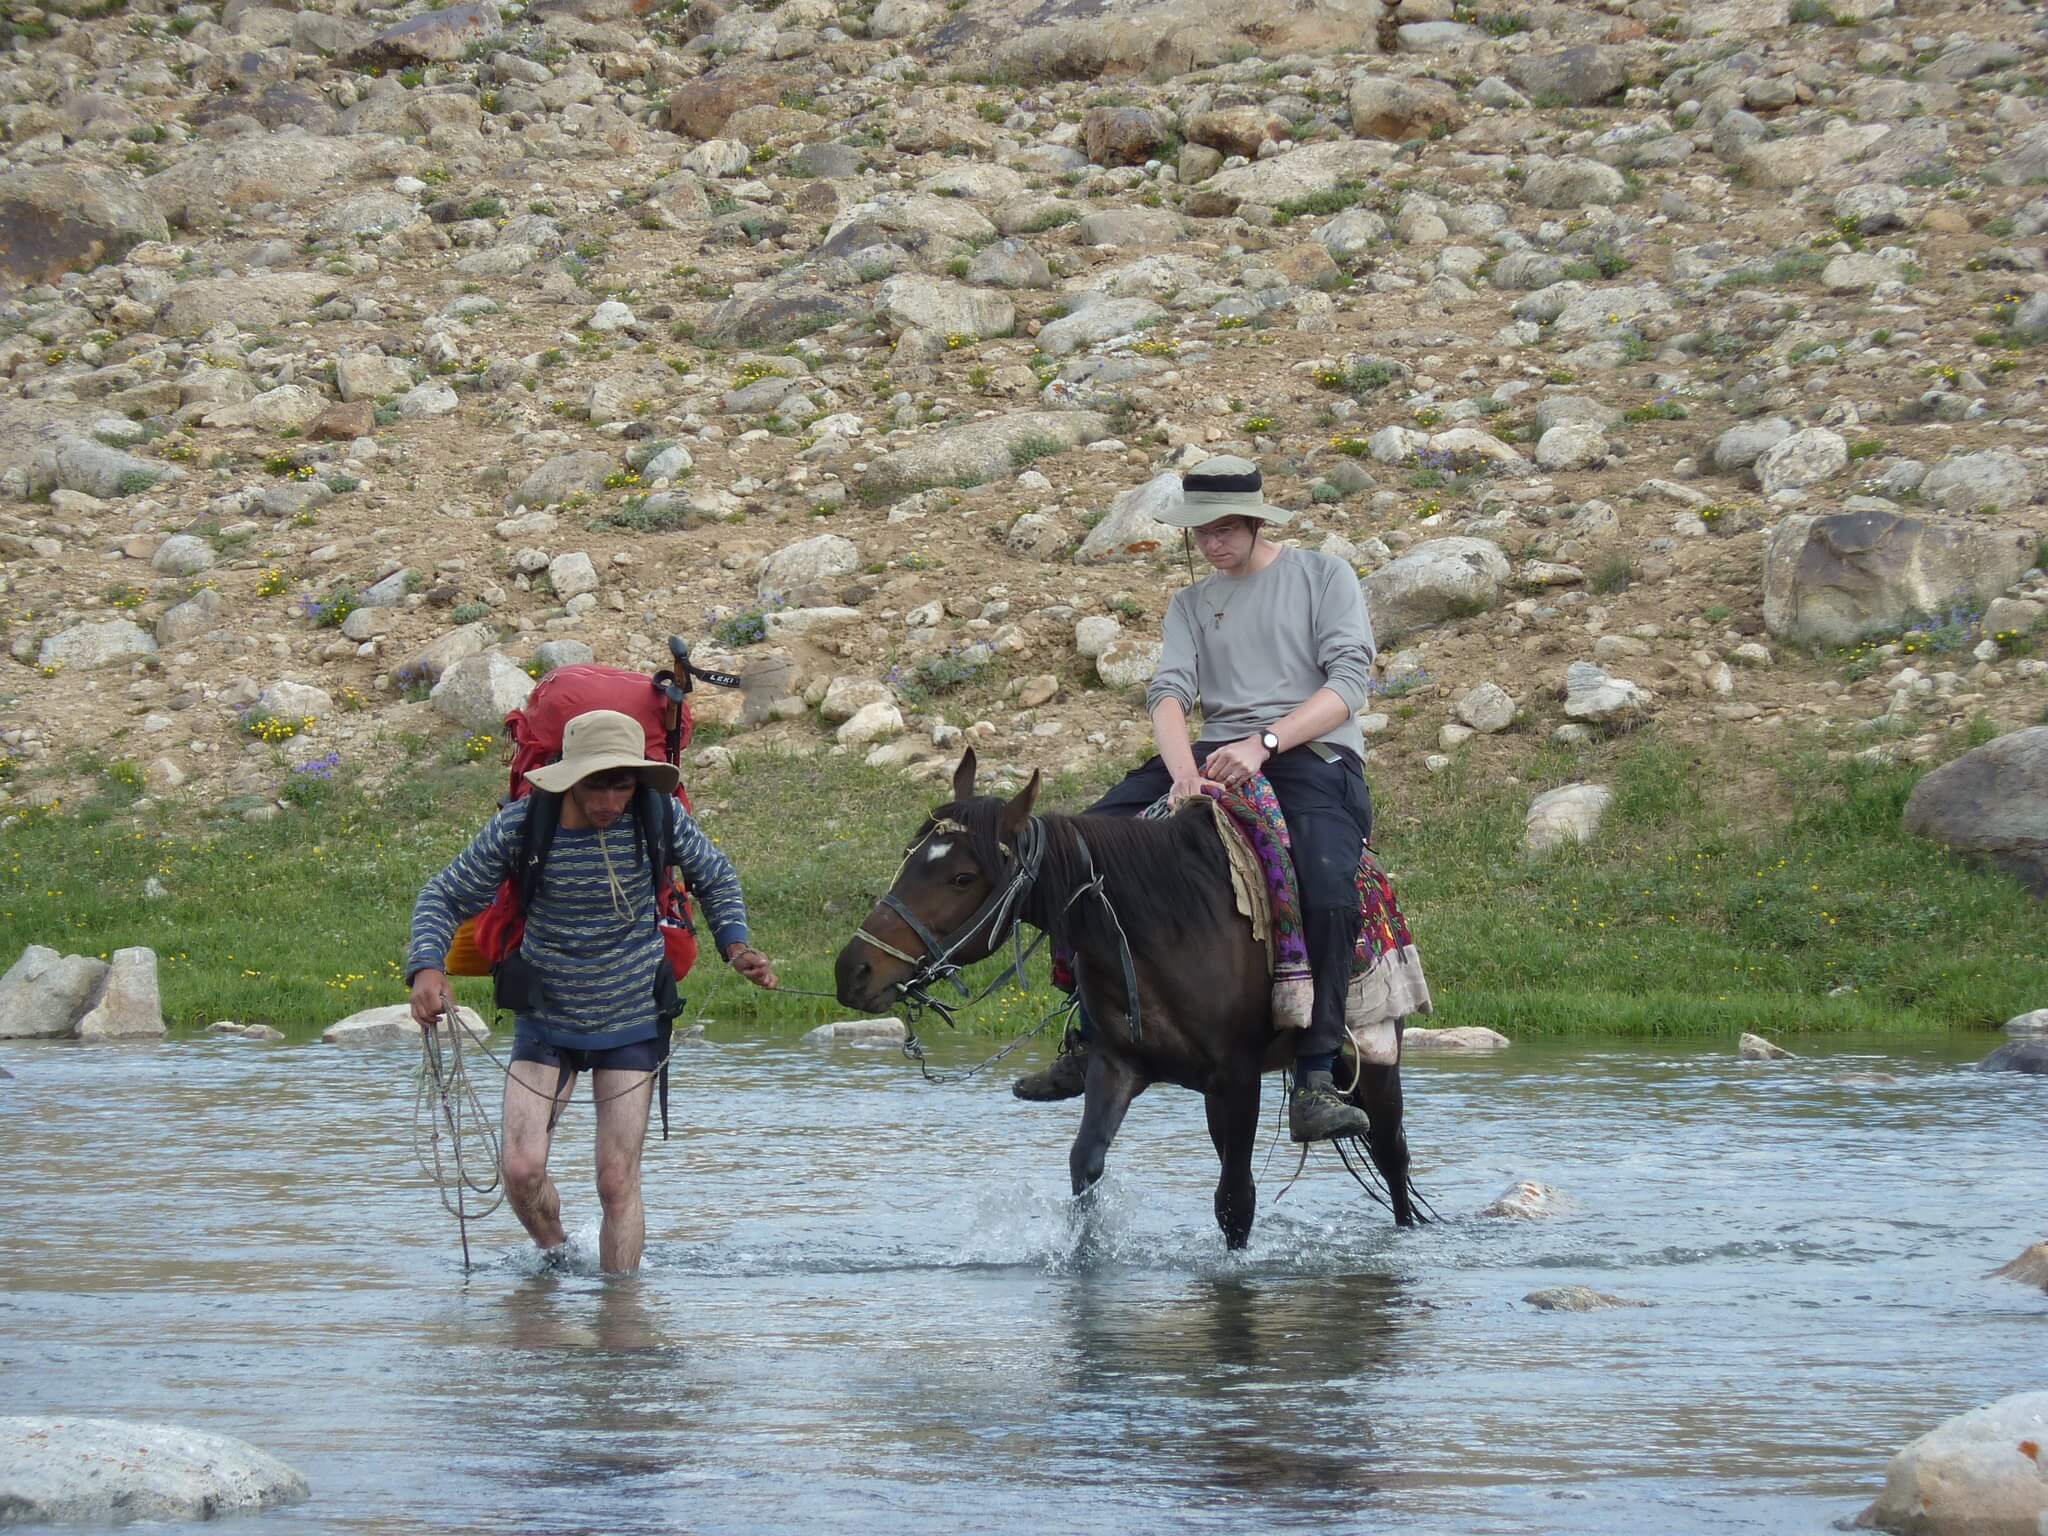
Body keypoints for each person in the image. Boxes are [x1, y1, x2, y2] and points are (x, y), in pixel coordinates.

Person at [1012, 455, 1378, 1143]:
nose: (1212, 544)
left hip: (1312, 754)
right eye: (1201, 533)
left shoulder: (1322, 576)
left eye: (1226, 529)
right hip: (1211, 755)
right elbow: (1169, 693)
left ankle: (1318, 1073)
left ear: (1257, 521)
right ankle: (1090, 1031)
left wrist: (1265, 745)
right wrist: (1184, 773)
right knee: (1080, 847)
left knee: (1328, 881)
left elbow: (1348, 686)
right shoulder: (1190, 602)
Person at [406, 708, 778, 1273]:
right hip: (546, 1017)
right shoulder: (522, 827)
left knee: (615, 1179)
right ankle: (559, 1259)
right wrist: (427, 968)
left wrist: (737, 945)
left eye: (622, 784)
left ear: (637, 782)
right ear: (569, 778)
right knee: (522, 1170)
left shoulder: (659, 819)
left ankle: (622, 1320)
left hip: (632, 1016)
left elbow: (716, 875)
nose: (609, 801)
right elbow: (442, 896)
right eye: (595, 785)